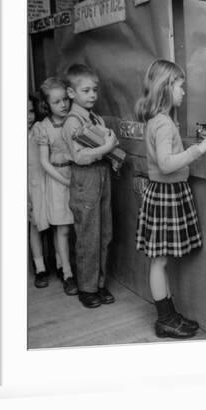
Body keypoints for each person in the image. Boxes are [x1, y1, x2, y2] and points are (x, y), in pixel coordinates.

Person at [135, 59, 206, 339]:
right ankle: (165, 320)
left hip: (164, 194)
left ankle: (169, 315)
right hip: (165, 194)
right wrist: (199, 149)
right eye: (180, 86)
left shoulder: (159, 120)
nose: (184, 92)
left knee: (160, 261)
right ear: (166, 87)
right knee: (159, 262)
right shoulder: (162, 123)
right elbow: (166, 163)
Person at [62, 64, 119, 309]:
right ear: (71, 93)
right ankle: (87, 287)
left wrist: (113, 158)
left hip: (102, 176)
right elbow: (80, 156)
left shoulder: (94, 117)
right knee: (88, 235)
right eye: (85, 90)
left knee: (104, 233)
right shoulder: (72, 122)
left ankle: (99, 283)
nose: (92, 95)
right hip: (85, 180)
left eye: (94, 90)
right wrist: (106, 148)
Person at [34, 77, 78, 296]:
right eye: (56, 102)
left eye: (64, 100)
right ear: (46, 105)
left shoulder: (75, 120)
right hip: (57, 178)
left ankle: (71, 265)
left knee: (76, 226)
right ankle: (67, 274)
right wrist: (64, 180)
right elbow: (44, 161)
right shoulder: (43, 128)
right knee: (62, 227)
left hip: (76, 174)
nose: (63, 105)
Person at [28, 95, 51, 288]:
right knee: (35, 226)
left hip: (44, 182)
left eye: (30, 111)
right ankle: (40, 267)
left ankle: (61, 265)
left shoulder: (38, 129)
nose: (28, 116)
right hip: (28, 187)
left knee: (55, 223)